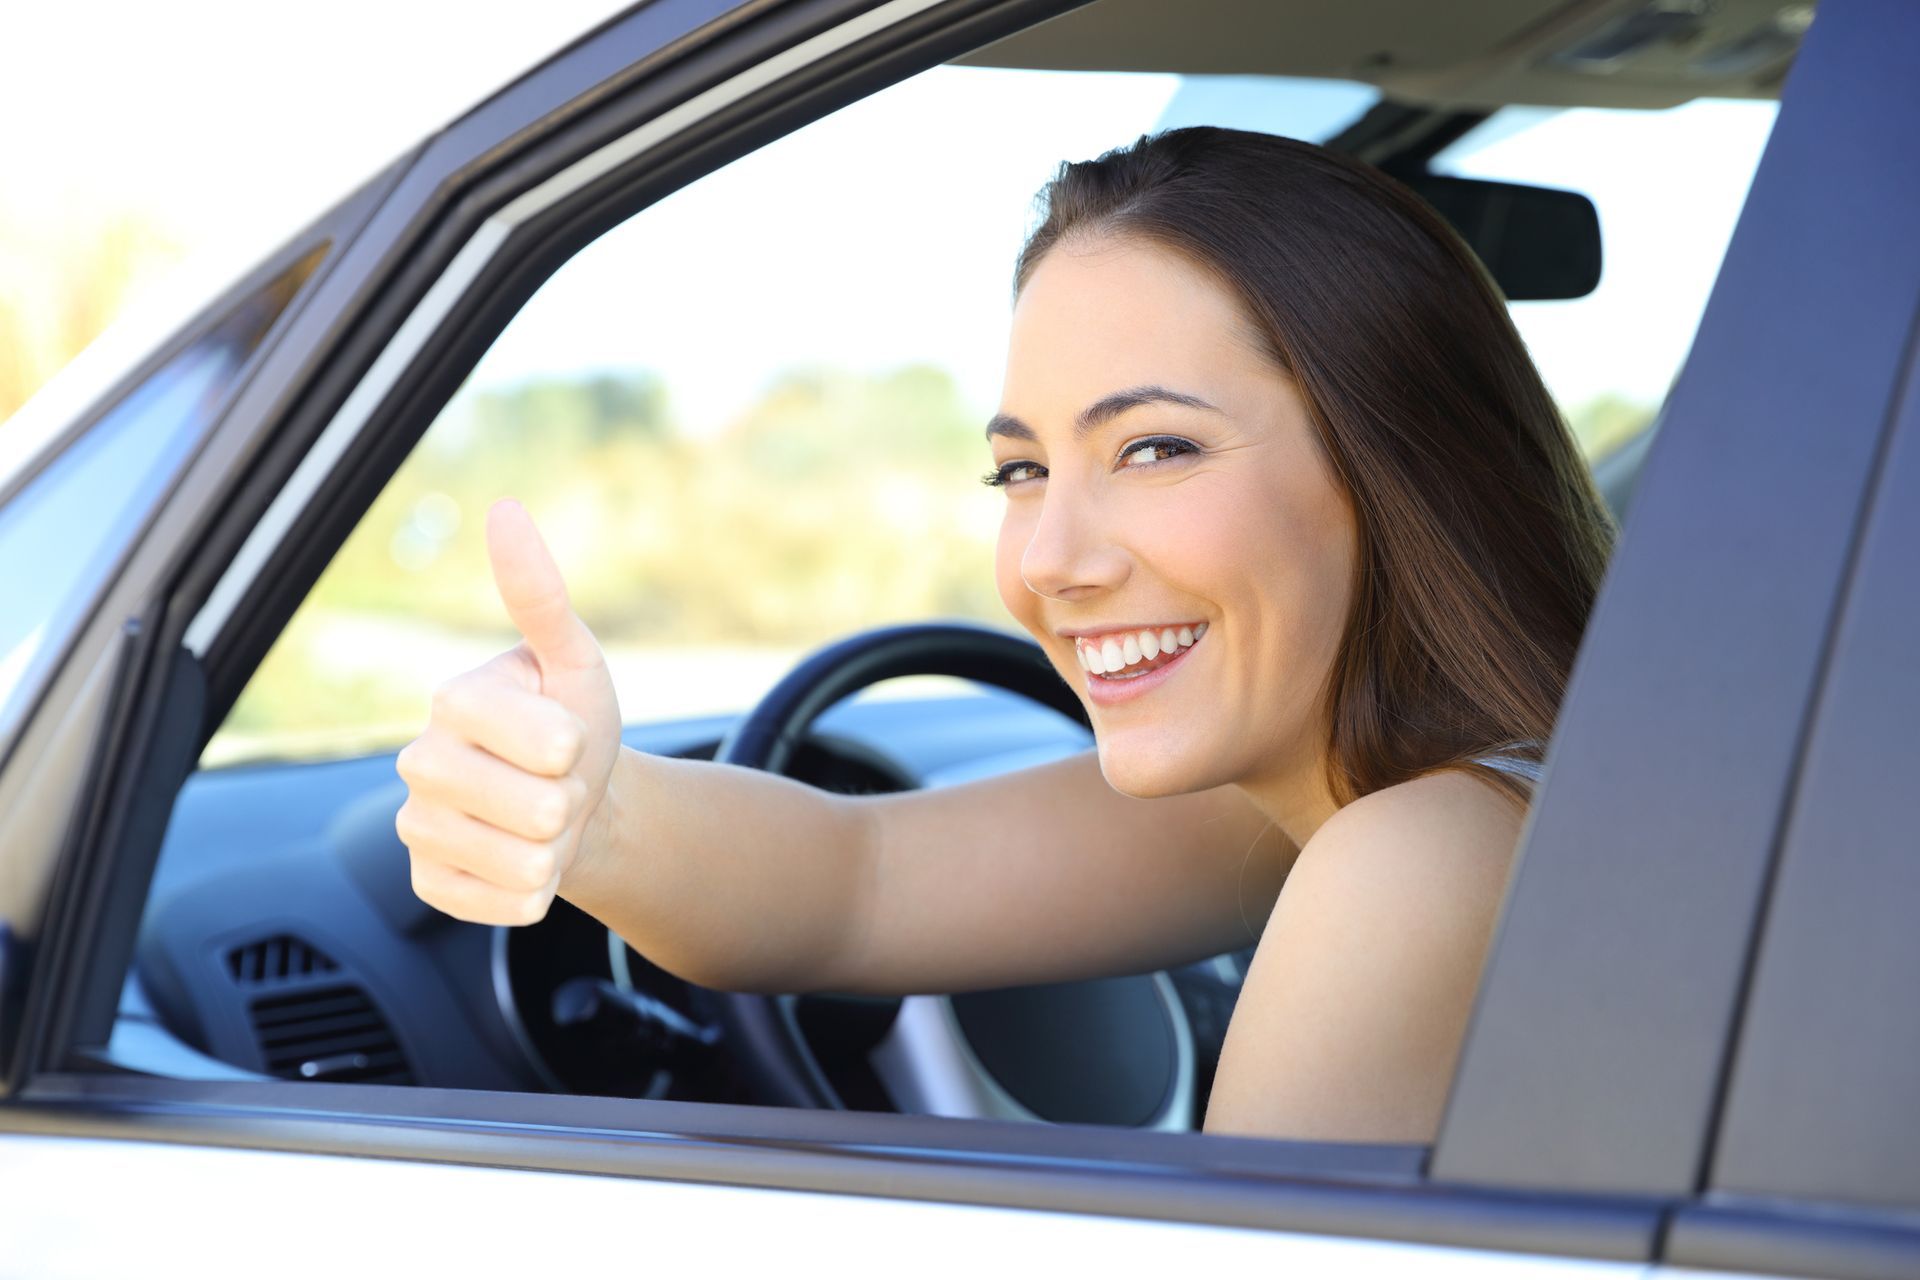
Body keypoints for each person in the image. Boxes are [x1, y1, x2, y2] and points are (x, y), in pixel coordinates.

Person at [392, 125, 1617, 1143]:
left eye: (1154, 447)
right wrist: (584, 809)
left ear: (1399, 465)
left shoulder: (1413, 853)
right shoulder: (1412, 787)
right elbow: (856, 884)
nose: (1047, 560)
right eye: (1021, 469)